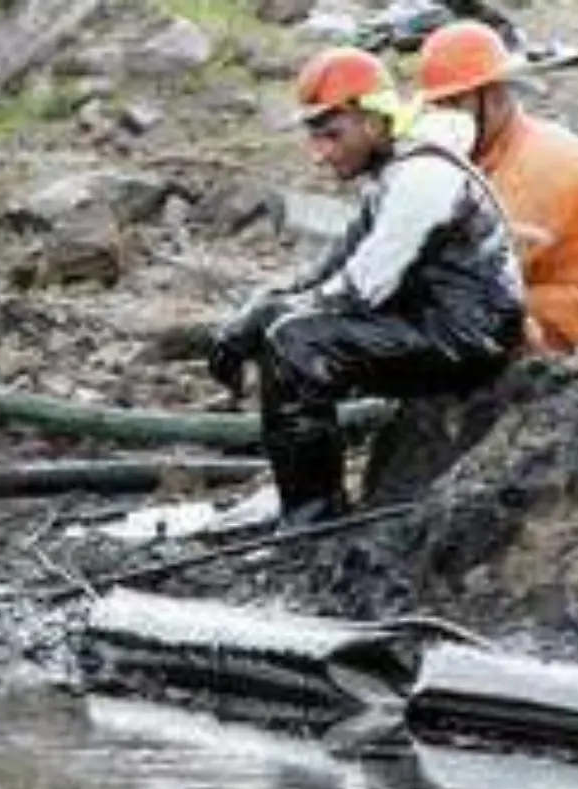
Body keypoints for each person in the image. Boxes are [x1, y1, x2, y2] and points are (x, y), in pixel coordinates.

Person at [208, 46, 526, 526]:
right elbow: (329, 266)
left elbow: (361, 287)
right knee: (287, 327)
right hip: (437, 321)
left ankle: (313, 518)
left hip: (472, 337)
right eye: (315, 138)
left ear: (374, 122)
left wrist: (265, 320)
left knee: (297, 343)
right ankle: (308, 505)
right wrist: (256, 309)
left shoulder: (423, 178)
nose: (320, 155)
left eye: (332, 136)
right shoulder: (394, 170)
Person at [414, 20, 578, 357]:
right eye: (438, 106)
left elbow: (484, 267)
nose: (445, 119)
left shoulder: (539, 163)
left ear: (496, 94)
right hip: (553, 293)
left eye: (456, 104)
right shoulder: (492, 149)